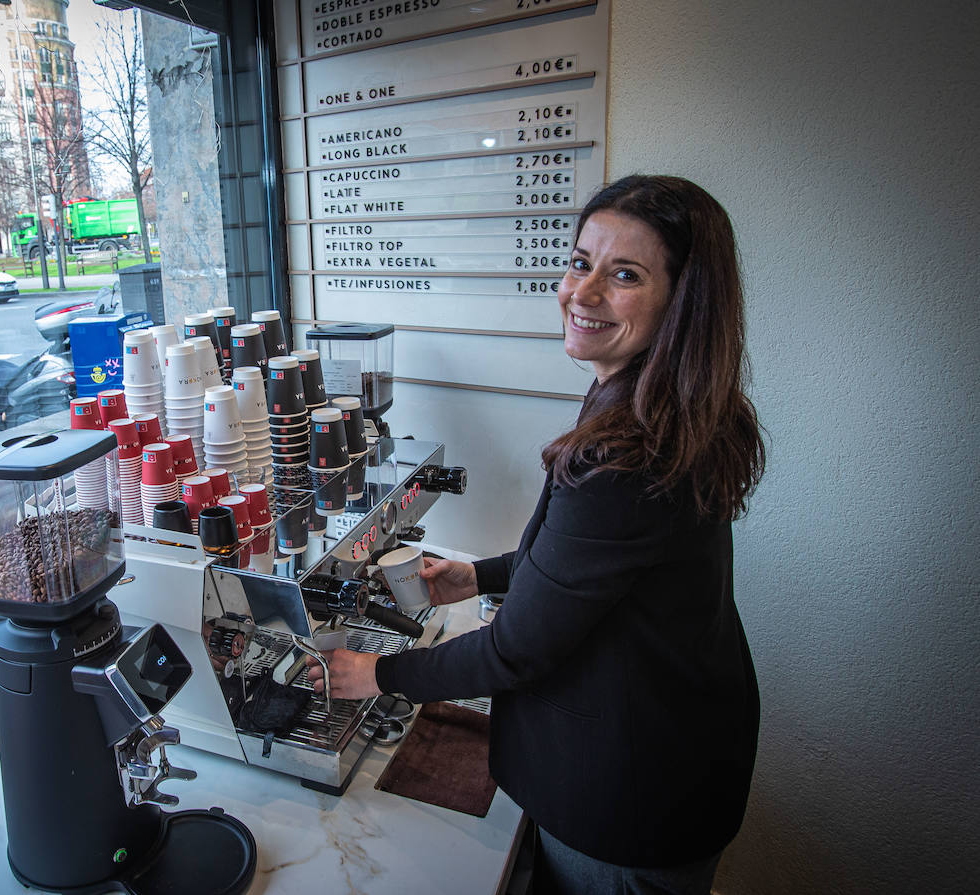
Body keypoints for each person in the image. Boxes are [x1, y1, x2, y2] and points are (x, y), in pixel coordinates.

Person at [307, 175, 766, 894]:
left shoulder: (629, 455)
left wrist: (377, 673)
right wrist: (481, 575)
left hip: (627, 805)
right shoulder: (674, 402)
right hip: (683, 750)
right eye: (581, 262)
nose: (581, 294)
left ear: (683, 302)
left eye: (624, 275)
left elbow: (515, 650)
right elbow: (590, 566)